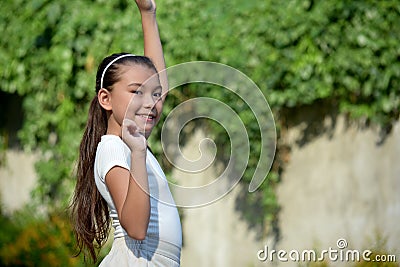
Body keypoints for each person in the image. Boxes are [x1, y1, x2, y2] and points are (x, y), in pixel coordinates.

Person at [70, 0, 182, 266]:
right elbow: (135, 228)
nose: (150, 101)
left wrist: (148, 13)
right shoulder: (114, 149)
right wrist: (139, 152)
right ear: (106, 99)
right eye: (136, 91)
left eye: (153, 94)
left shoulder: (130, 143)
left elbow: (159, 88)